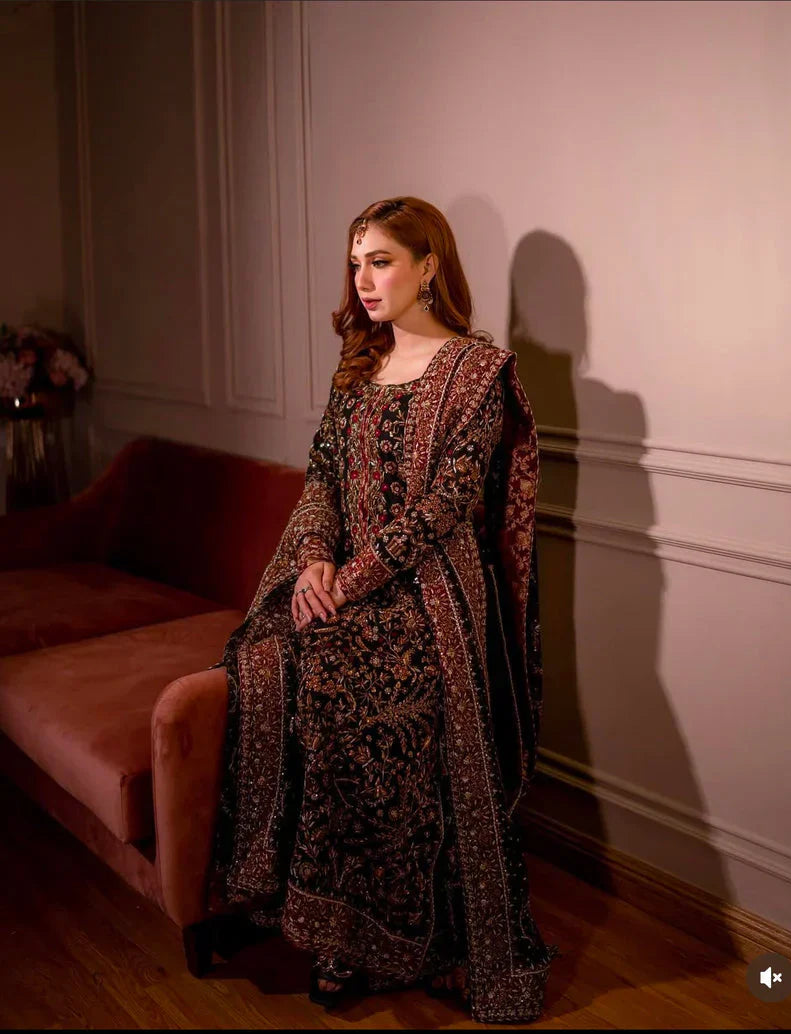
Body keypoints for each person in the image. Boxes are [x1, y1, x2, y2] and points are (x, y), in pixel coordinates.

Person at [204, 196, 560, 1024]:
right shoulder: (358, 367)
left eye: (381, 261)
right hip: (345, 577)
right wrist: (313, 560)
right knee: (267, 661)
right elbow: (323, 478)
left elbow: (447, 503)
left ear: (428, 266)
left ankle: (406, 938)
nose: (363, 280)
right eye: (355, 263)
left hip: (431, 591)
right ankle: (317, 919)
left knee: (349, 690)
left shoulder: (476, 371)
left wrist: (353, 578)